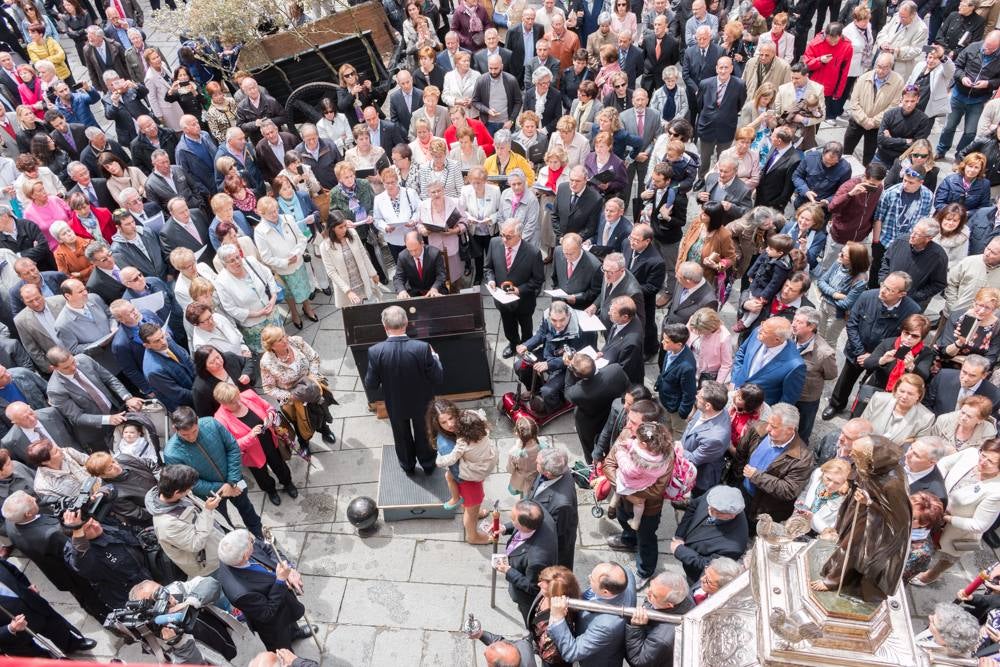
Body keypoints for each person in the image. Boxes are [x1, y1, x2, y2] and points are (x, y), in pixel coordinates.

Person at [810, 435, 912, 603]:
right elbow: (860, 477)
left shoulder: (892, 484)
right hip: (858, 511)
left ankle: (833, 581)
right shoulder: (872, 467)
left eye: (856, 455)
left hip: (874, 525)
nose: (851, 456)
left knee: (850, 548)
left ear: (871, 458)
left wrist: (869, 502)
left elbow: (900, 520)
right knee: (845, 544)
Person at [823, 272, 922, 420]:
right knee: (846, 379)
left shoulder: (912, 310)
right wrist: (860, 352)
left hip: (885, 357)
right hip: (857, 351)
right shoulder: (867, 296)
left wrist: (876, 357)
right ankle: (836, 404)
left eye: (890, 290)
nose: (883, 290)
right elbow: (852, 324)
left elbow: (905, 337)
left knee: (872, 386)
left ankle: (859, 413)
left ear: (902, 294)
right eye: (884, 285)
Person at [163, 407, 263, 539]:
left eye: (194, 431)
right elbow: (189, 483)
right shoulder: (171, 453)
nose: (191, 437)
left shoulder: (211, 423)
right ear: (175, 429)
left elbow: (232, 447)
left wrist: (231, 481)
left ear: (197, 421)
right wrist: (221, 488)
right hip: (210, 495)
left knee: (247, 509)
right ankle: (238, 545)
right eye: (185, 435)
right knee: (223, 523)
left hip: (233, 481)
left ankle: (259, 535)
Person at [365, 305, 443, 474]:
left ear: (385, 327)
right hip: (422, 403)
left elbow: (371, 384)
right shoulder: (422, 348)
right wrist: (435, 357)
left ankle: (407, 465)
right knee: (424, 433)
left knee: (401, 436)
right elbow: (437, 377)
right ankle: (428, 464)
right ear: (406, 323)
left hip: (396, 402)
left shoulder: (375, 351)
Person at [914, 439, 1000, 585]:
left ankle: (930, 576)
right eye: (983, 455)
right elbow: (944, 463)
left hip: (957, 528)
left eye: (990, 462)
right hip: (936, 511)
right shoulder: (971, 453)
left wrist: (948, 518)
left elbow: (980, 525)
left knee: (947, 555)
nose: (982, 461)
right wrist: (936, 487)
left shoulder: (996, 491)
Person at [216, 529, 314, 650]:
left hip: (283, 603)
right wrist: (280, 580)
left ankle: (294, 633)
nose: (254, 540)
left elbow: (268, 549)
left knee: (289, 623)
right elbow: (267, 614)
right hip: (273, 625)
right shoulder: (240, 593)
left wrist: (288, 568)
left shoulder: (237, 546)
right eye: (251, 541)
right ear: (246, 555)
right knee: (282, 649)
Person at [213, 383, 296, 507]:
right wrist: (250, 436)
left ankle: (287, 483)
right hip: (251, 453)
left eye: (237, 397)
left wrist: (270, 415)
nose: (238, 402)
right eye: (233, 402)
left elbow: (268, 407)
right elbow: (231, 446)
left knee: (279, 464)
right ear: (223, 403)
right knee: (261, 475)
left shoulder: (248, 395)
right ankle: (271, 491)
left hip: (269, 440)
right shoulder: (220, 419)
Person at [45, 347, 144, 449]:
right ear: (54, 368)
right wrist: (108, 419)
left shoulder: (84, 359)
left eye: (73, 362)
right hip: (98, 430)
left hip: (116, 411)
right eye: (66, 367)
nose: (74, 367)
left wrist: (127, 398)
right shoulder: (55, 390)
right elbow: (77, 417)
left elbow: (109, 379)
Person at [0, 556, 97, 658]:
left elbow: (14, 572)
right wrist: (10, 629)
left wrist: (27, 586)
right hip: (13, 632)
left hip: (34, 605)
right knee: (34, 656)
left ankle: (70, 644)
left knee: (57, 627)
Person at [260, 326, 335, 450]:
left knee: (320, 411)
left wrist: (312, 377)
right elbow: (269, 388)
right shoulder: (267, 362)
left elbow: (314, 357)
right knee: (300, 423)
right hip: (292, 399)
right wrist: (291, 396)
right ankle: (304, 443)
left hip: (312, 387)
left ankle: (325, 430)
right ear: (271, 346)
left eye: (284, 335)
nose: (285, 340)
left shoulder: (296, 342)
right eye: (279, 340)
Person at [547, 562, 635, 665]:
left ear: (605, 592)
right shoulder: (627, 574)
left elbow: (572, 653)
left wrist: (558, 618)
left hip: (597, 659)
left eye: (592, 579)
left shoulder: (606, 625)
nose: (589, 577)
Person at [742, 402, 815, 524]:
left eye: (774, 427)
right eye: (769, 423)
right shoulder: (759, 429)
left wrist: (756, 476)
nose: (767, 428)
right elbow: (741, 454)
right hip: (742, 491)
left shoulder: (803, 459)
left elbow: (789, 490)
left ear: (790, 430)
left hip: (763, 509)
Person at [492, 498, 559, 623]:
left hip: (525, 597)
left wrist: (508, 570)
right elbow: (519, 522)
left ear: (523, 526)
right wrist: (505, 528)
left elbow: (533, 587)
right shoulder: (536, 511)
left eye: (513, 519)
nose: (511, 520)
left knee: (529, 618)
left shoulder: (536, 560)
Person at [485, 219, 545, 358]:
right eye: (502, 235)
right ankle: (513, 344)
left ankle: (526, 347)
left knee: (526, 328)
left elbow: (538, 280)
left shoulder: (533, 253)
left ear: (519, 235)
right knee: (508, 325)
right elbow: (488, 268)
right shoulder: (494, 243)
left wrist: (519, 290)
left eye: (509, 236)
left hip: (523, 301)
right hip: (502, 301)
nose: (504, 240)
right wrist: (491, 280)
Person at [516, 301, 588, 415]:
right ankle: (534, 390)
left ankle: (555, 405)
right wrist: (526, 345)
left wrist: (549, 365)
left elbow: (574, 358)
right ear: (549, 316)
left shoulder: (580, 331)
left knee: (548, 392)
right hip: (548, 353)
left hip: (566, 365)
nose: (558, 325)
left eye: (562, 320)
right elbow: (541, 334)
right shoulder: (547, 318)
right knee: (520, 366)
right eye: (554, 320)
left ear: (568, 315)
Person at [671, 484, 749, 584]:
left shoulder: (734, 547)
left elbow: (710, 565)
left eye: (716, 512)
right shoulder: (715, 495)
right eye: (710, 507)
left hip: (696, 573)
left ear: (732, 515)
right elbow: (693, 507)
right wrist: (680, 535)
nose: (709, 511)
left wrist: (680, 551)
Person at [730, 317, 806, 406]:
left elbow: (788, 399)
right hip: (735, 395)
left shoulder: (795, 365)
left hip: (759, 411)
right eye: (762, 325)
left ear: (777, 339)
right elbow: (741, 353)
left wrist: (771, 416)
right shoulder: (757, 332)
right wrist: (734, 380)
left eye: (765, 331)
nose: (759, 330)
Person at [624, 571, 693, 667]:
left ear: (669, 604)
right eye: (650, 587)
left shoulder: (662, 639)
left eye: (653, 595)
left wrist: (636, 628)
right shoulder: (683, 595)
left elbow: (638, 660)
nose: (647, 592)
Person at [529, 448, 579, 570]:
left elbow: (555, 534)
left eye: (538, 463)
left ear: (548, 474)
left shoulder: (562, 505)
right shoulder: (557, 472)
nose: (535, 461)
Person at [679, 381, 731, 496]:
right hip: (688, 460)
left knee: (697, 496)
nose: (696, 395)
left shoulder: (715, 438)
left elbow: (693, 459)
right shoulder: (714, 409)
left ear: (708, 406)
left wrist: (675, 447)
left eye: (699, 396)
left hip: (701, 476)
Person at [655, 323, 698, 439]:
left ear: (678, 344)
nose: (663, 342)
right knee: (665, 425)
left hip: (675, 408)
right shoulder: (670, 350)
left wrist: (682, 413)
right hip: (666, 400)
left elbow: (689, 393)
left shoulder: (687, 367)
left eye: (666, 341)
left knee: (677, 431)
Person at [924, 355, 1000, 417]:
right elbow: (926, 403)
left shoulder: (994, 395)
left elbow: (987, 421)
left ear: (984, 375)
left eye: (972, 375)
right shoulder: (943, 376)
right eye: (964, 372)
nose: (966, 378)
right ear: (961, 367)